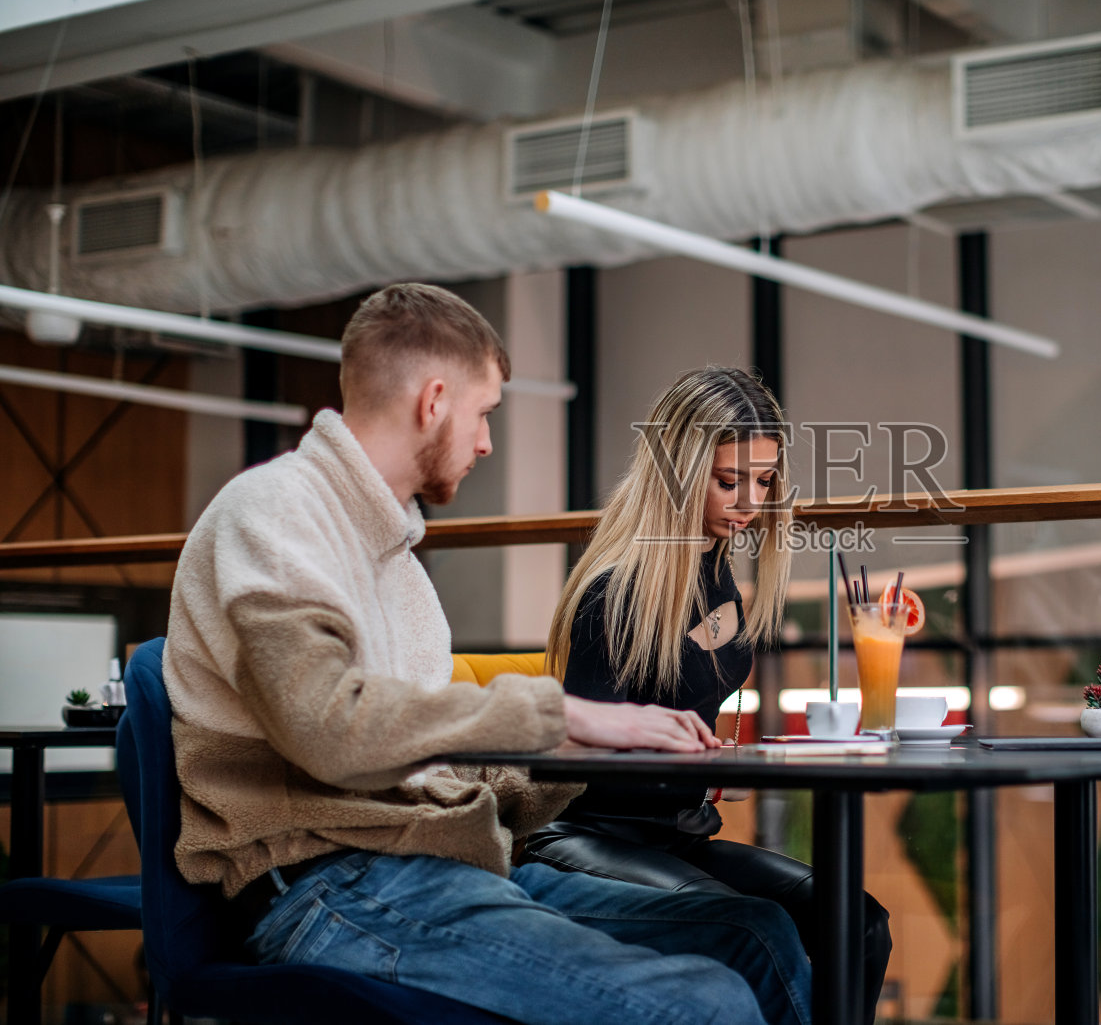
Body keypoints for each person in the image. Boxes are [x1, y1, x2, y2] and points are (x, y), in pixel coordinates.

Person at [163, 284, 811, 1025]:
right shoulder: (275, 513)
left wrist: (588, 754)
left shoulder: (395, 560)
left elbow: (434, 758)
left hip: (439, 862)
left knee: (756, 937)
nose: (486, 443)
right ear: (434, 400)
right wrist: (564, 713)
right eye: (485, 414)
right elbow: (330, 726)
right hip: (329, 886)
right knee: (709, 1002)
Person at [526, 366, 892, 1022]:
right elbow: (570, 743)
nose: (750, 501)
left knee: (859, 922)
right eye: (730, 481)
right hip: (586, 835)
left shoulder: (717, 580)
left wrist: (711, 764)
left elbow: (689, 692)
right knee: (756, 928)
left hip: (680, 835)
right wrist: (674, 752)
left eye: (763, 480)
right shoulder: (614, 593)